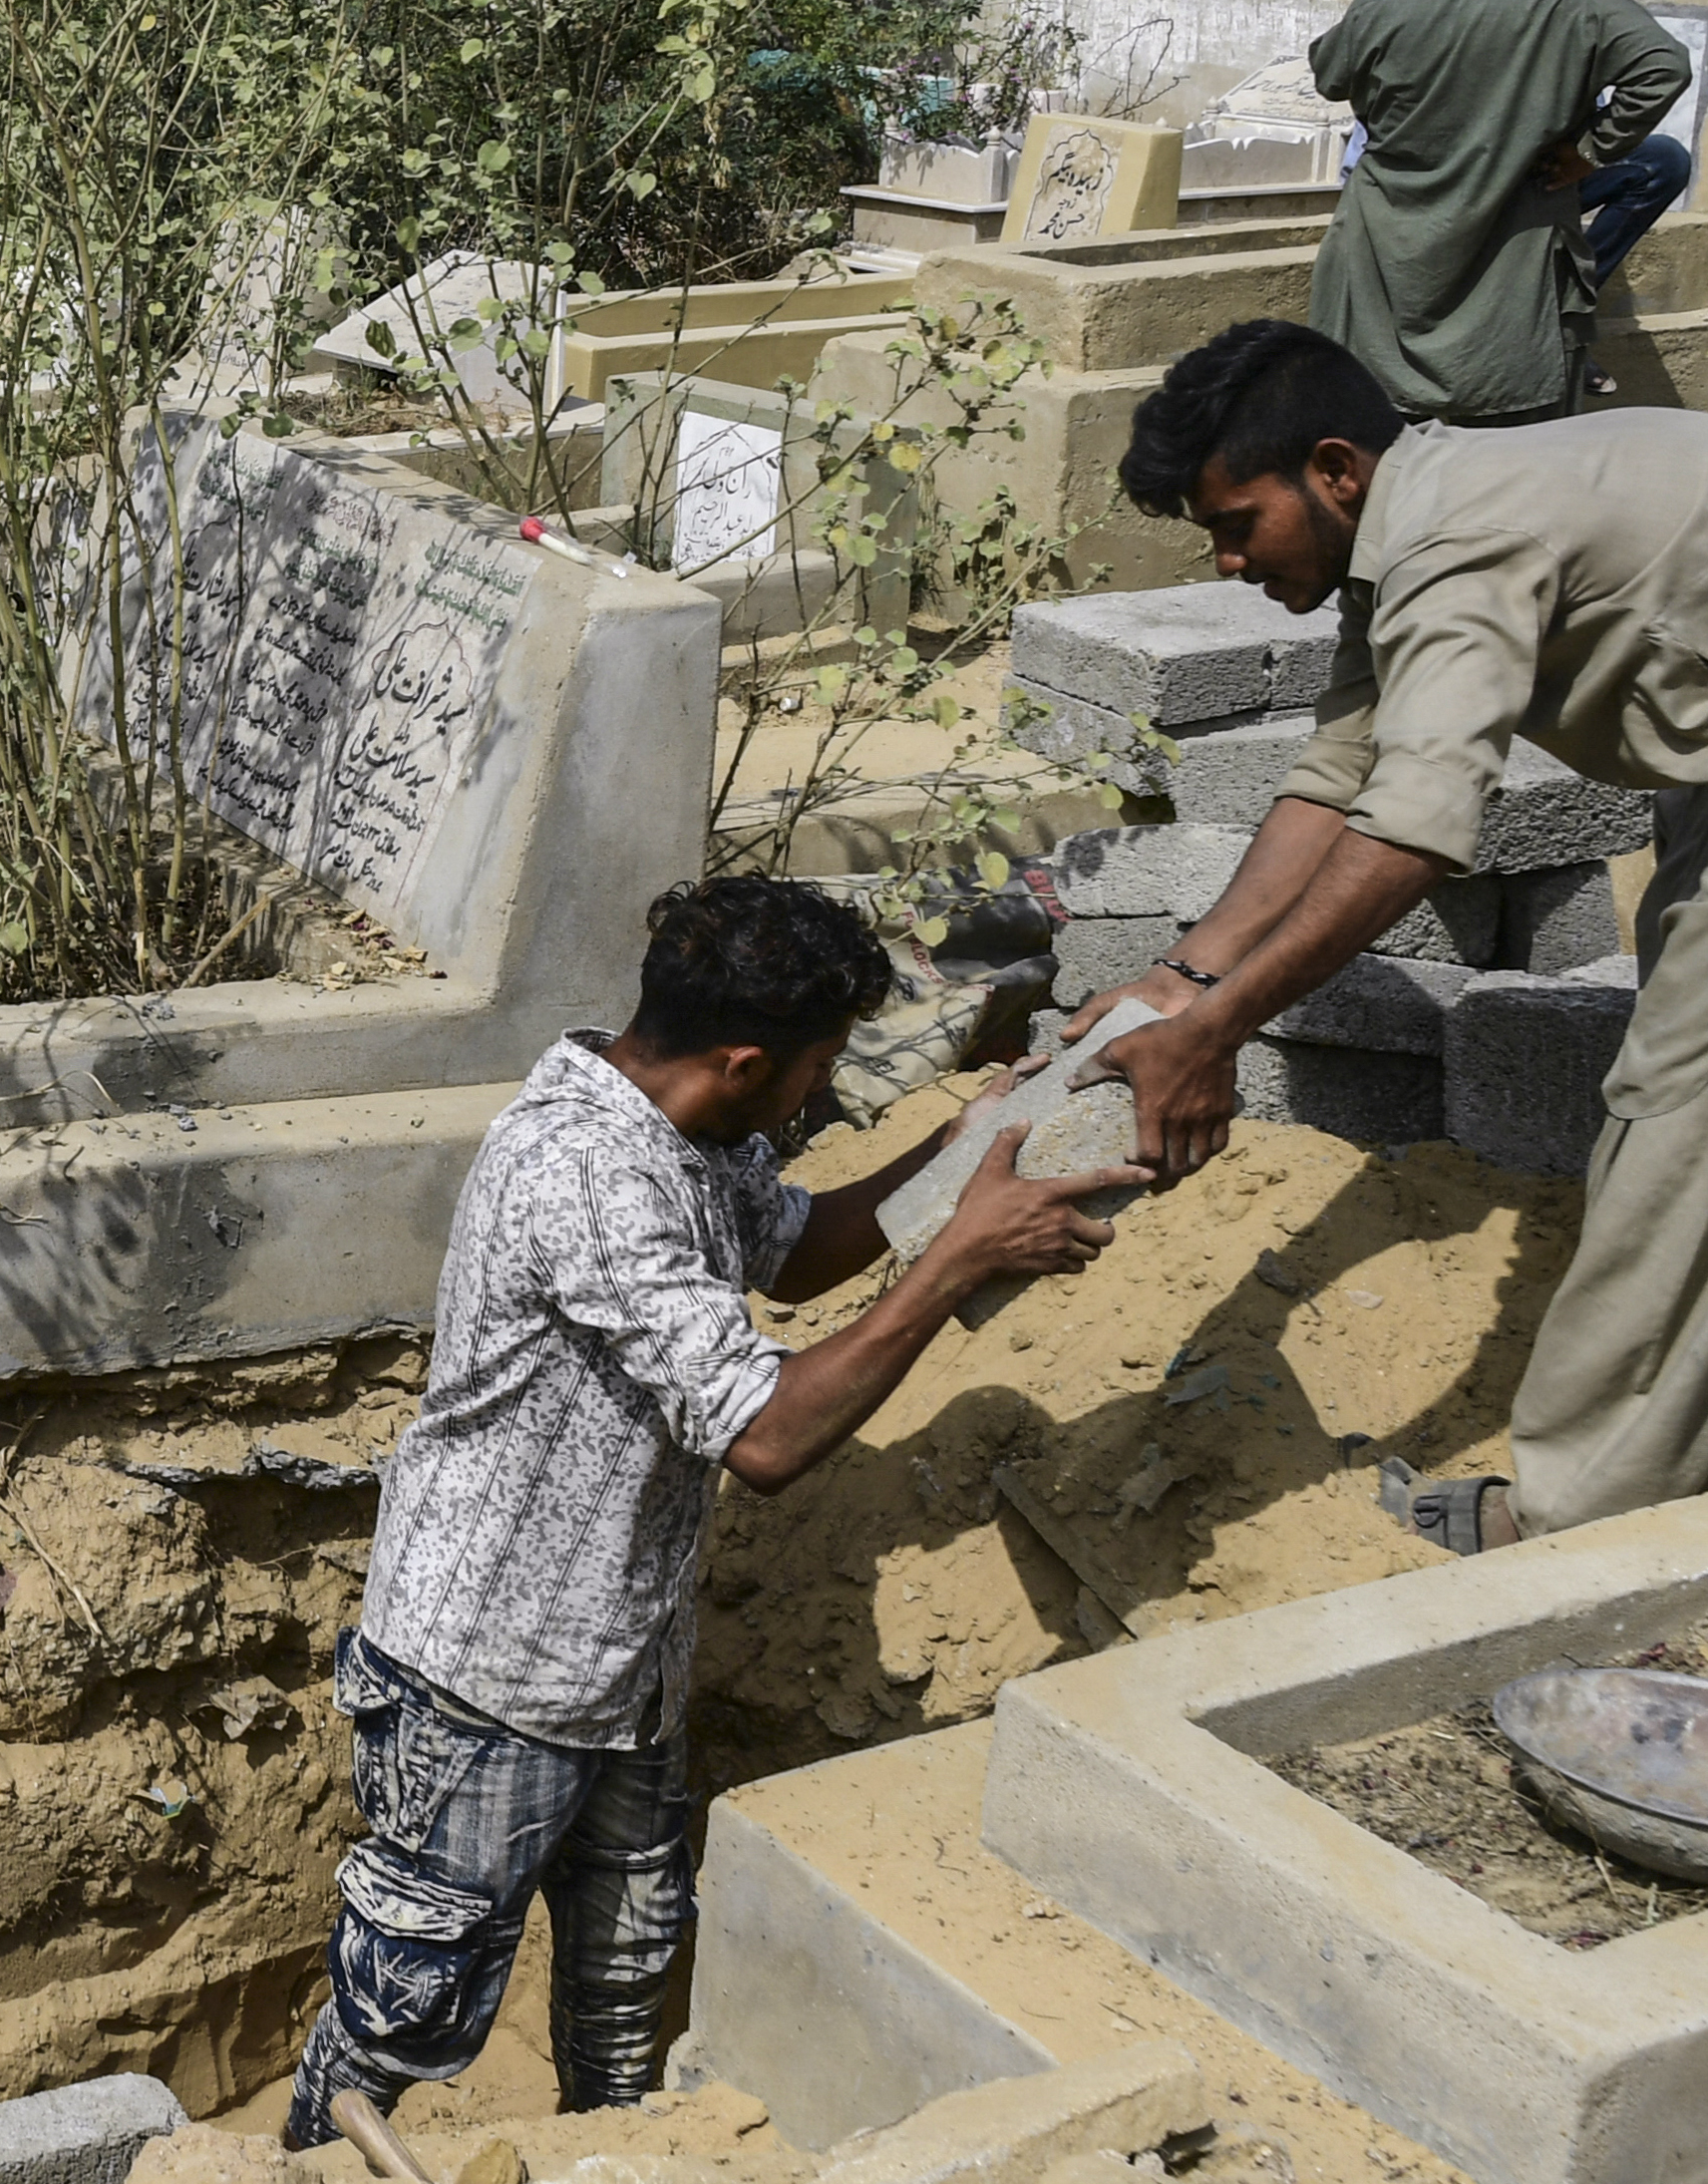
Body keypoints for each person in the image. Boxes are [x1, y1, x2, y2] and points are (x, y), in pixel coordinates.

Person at [1076, 321, 1708, 1552]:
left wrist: (1221, 1027)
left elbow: (1416, 827)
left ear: (1333, 470)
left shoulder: (1455, 537)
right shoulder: (1420, 516)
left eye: (1238, 521)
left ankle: (1574, 1510)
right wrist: (1183, 975)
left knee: (1696, 1112)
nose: (1229, 558)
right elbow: (1340, 771)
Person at [282, 879, 1136, 2144]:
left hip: (623, 1667)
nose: (820, 1089)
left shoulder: (685, 1127)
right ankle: (302, 2165)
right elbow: (771, 1435)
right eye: (819, 1064)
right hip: (488, 1678)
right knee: (406, 2006)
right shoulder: (584, 1167)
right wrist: (959, 1259)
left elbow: (795, 1245)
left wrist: (973, 1138)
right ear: (744, 1061)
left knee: (624, 2003)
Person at [1305, 0, 1691, 423]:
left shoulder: (1387, 2)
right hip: (1514, 291)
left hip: (1388, 278)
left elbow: (1329, 73)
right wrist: (1590, 152)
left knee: (1386, 470)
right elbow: (1665, 67)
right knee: (1514, 471)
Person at [1503, 0, 1692, 290]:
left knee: (1663, 160)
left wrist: (1588, 152)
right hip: (1477, 186)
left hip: (1545, 178)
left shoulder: (1566, 14)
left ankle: (1569, 290)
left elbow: (1660, 71)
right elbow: (1668, 67)